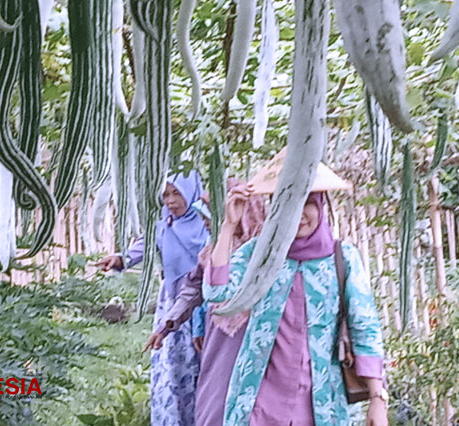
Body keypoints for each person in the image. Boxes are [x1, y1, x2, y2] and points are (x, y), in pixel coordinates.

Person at [203, 152, 388, 426]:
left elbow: (365, 327)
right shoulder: (260, 253)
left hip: (320, 404)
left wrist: (377, 399)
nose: (300, 214)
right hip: (258, 401)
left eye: (308, 203)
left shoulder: (343, 257)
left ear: (321, 205)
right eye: (288, 204)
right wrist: (229, 226)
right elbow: (216, 293)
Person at [143, 178, 267, 426]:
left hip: (259, 340)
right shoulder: (213, 251)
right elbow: (193, 288)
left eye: (213, 215)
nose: (207, 223)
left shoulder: (270, 252)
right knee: (215, 404)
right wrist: (168, 324)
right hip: (220, 342)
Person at [96, 170, 209, 426]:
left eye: (177, 193)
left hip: (201, 308)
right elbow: (146, 243)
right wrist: (121, 259)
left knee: (198, 368)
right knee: (170, 369)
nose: (170, 201)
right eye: (166, 195)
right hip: (170, 304)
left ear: (191, 191)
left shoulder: (206, 222)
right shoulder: (164, 221)